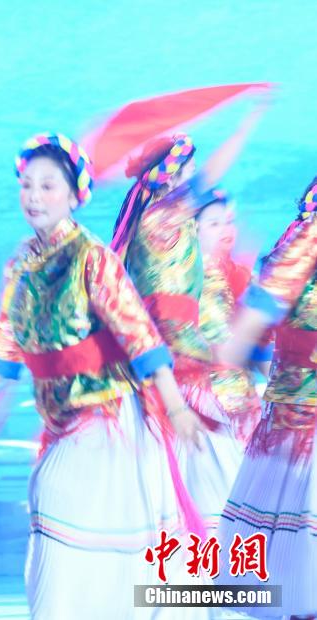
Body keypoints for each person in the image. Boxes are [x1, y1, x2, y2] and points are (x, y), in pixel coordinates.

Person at [0, 133, 208, 618]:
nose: (33, 196)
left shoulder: (92, 258)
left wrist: (176, 408)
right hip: (60, 421)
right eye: (27, 185)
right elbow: (5, 346)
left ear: (73, 196)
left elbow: (141, 337)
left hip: (105, 421)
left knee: (70, 535)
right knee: (68, 554)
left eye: (47, 186)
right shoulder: (20, 263)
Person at [109, 108, 264, 532]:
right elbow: (212, 175)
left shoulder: (149, 218)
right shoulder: (162, 216)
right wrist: (246, 124)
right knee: (216, 480)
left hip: (170, 358)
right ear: (171, 177)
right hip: (181, 360)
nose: (196, 179)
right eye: (189, 171)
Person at [215, 177, 317, 618]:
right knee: (300, 573)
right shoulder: (305, 238)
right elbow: (265, 306)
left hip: (294, 419)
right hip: (302, 424)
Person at [196, 189, 265, 443]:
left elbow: (262, 351)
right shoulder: (202, 279)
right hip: (215, 410)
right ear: (192, 230)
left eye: (229, 221)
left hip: (240, 402)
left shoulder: (234, 272)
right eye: (214, 224)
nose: (226, 229)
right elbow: (224, 353)